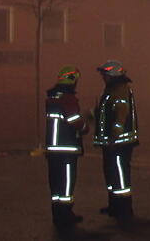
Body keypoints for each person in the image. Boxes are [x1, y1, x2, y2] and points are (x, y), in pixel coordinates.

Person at [94, 60, 139, 221]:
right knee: (111, 174)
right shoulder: (111, 90)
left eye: (105, 75)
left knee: (119, 176)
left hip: (119, 143)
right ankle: (114, 205)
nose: (103, 77)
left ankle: (124, 208)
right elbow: (105, 112)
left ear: (112, 76)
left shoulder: (119, 91)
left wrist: (114, 137)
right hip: (112, 142)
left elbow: (120, 116)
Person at [44, 65, 89, 228]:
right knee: (66, 183)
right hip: (66, 149)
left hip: (53, 150)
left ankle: (57, 215)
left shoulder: (52, 98)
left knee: (56, 184)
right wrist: (86, 124)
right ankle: (66, 215)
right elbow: (74, 121)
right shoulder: (68, 99)